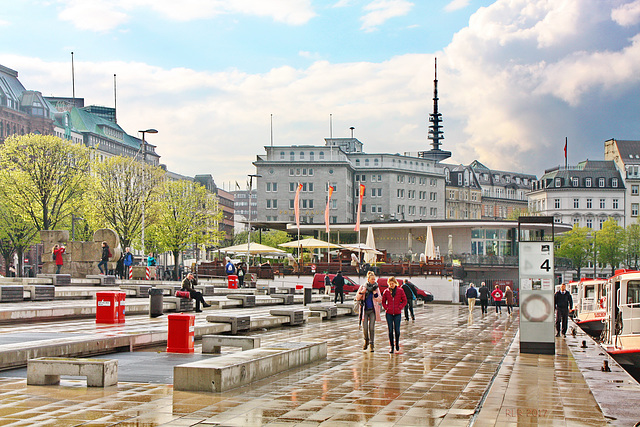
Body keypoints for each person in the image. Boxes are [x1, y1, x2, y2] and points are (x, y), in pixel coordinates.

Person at [355, 271, 382, 352]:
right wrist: (361, 292)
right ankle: (366, 340)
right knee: (365, 328)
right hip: (364, 310)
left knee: (372, 328)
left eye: (374, 279)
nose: (374, 280)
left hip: (372, 311)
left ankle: (371, 344)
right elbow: (357, 297)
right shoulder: (363, 287)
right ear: (368, 279)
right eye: (372, 279)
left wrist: (375, 294)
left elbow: (379, 299)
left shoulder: (376, 288)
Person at [382, 276, 407, 354]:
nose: (391, 285)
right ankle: (391, 346)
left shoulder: (400, 290)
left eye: (392, 284)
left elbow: (404, 300)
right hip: (389, 313)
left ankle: (397, 343)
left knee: (397, 330)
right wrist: (386, 308)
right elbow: (383, 302)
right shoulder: (386, 291)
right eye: (390, 284)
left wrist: (400, 307)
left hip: (397, 313)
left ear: (395, 283)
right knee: (390, 330)